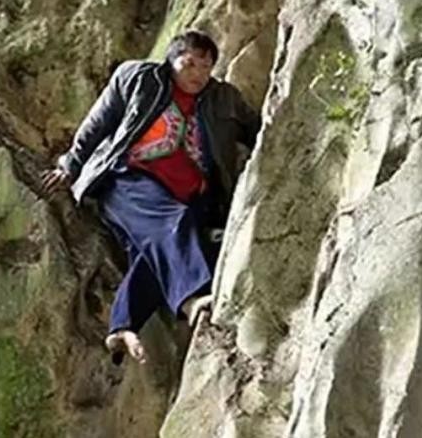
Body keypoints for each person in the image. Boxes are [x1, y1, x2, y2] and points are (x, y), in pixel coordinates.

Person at [41, 30, 261, 364]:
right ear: (171, 61)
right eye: (190, 64)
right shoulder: (139, 78)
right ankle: (191, 298)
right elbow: (98, 122)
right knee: (172, 223)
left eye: (206, 66)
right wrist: (70, 165)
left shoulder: (223, 98)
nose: (198, 74)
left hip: (191, 195)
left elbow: (257, 128)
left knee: (159, 250)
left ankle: (122, 326)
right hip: (127, 179)